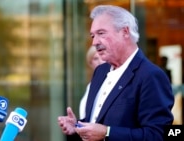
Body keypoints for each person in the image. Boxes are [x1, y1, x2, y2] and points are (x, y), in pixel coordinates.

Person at [58, 5, 174, 141]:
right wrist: (77, 127)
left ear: (125, 32)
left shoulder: (151, 75)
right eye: (92, 36)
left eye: (101, 33)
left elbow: (158, 135)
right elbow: (98, 122)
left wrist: (107, 133)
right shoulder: (100, 72)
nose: (94, 42)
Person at [79, 46, 105, 119]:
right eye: (96, 58)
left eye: (102, 56)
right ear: (90, 63)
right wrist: (75, 124)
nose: (100, 61)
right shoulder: (90, 86)